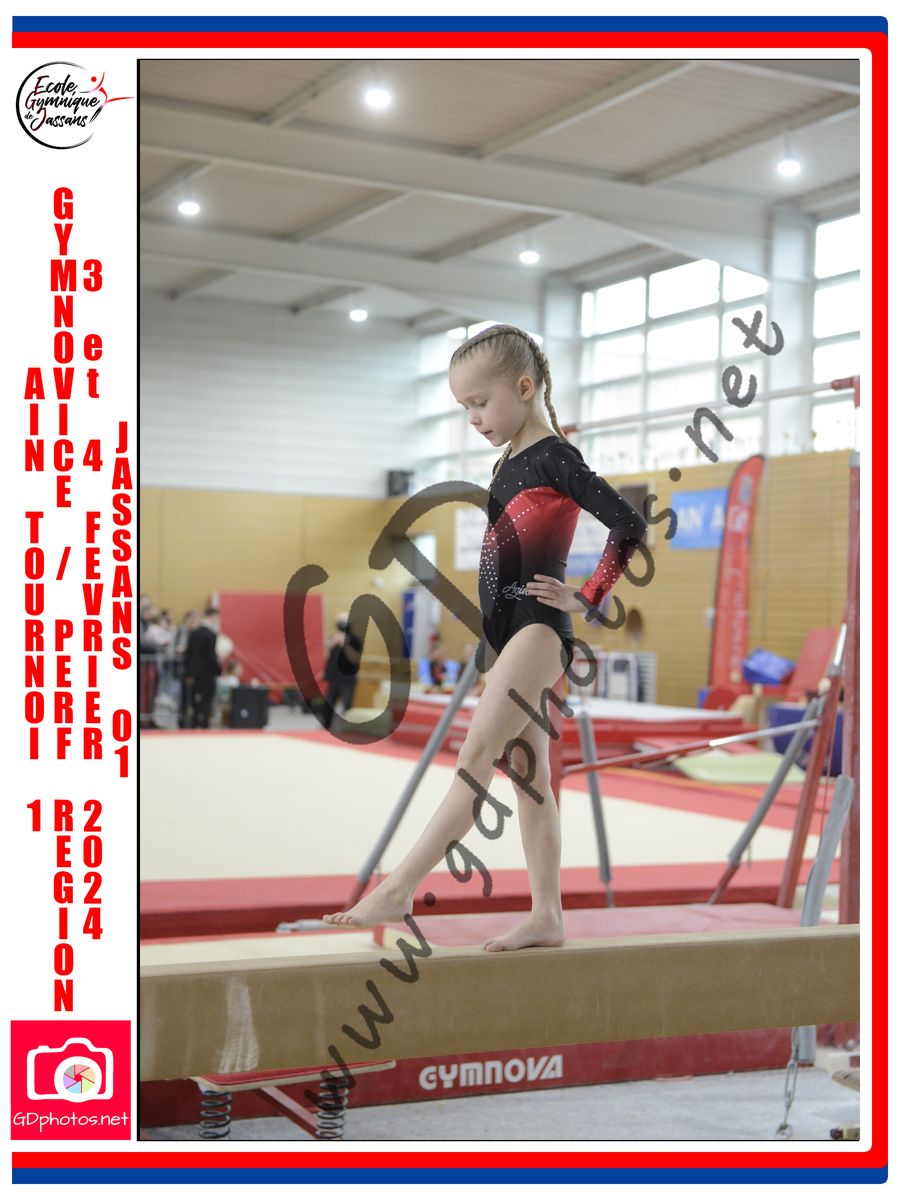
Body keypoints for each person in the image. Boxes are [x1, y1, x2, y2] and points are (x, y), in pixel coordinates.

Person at [323, 323, 647, 951]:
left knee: (475, 758)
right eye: (463, 407)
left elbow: (628, 523)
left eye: (479, 402)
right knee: (530, 779)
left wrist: (588, 596)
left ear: (524, 388)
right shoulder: (508, 460)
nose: (472, 418)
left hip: (538, 631)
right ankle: (547, 915)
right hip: (504, 639)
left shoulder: (555, 456)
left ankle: (398, 889)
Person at [322, 611, 362, 729]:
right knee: (328, 704)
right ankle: (326, 727)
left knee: (347, 705)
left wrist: (345, 645)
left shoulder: (355, 640)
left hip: (348, 678)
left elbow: (355, 659)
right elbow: (327, 655)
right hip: (334, 677)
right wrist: (332, 643)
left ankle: (348, 729)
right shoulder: (333, 637)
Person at [184, 607, 221, 729]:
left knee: (194, 698)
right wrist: (218, 670)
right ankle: (204, 722)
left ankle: (194, 721)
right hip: (208, 673)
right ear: (212, 617)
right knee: (206, 699)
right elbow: (211, 656)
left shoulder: (193, 633)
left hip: (194, 672)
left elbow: (189, 655)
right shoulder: (211, 634)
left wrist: (189, 673)